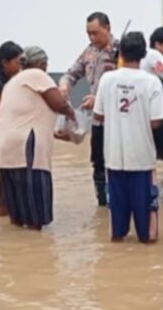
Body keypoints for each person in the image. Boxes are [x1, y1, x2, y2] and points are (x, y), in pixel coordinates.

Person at [0, 46, 75, 230]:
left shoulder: (13, 82)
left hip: (4, 148)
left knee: (17, 216)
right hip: (25, 149)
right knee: (35, 215)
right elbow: (58, 103)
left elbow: (26, 115)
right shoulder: (37, 75)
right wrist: (74, 116)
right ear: (42, 64)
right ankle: (36, 254)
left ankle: (14, 253)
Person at [94, 32, 163, 243]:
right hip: (142, 160)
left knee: (116, 233)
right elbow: (157, 120)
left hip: (114, 158)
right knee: (148, 234)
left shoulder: (107, 79)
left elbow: (99, 115)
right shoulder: (152, 82)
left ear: (121, 53)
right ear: (143, 54)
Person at [59, 12, 119, 206]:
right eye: (88, 34)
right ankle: (102, 205)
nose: (92, 38)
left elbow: (126, 85)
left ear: (108, 28)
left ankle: (119, 203)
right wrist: (64, 85)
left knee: (118, 164)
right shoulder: (89, 51)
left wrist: (99, 98)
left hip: (118, 120)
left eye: (95, 33)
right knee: (98, 162)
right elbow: (72, 73)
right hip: (98, 121)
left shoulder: (121, 51)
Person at [0, 40, 24, 217]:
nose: (20, 67)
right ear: (5, 63)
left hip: (10, 135)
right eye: (17, 62)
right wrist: (12, 126)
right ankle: (3, 214)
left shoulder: (12, 81)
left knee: (13, 178)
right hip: (4, 137)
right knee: (6, 179)